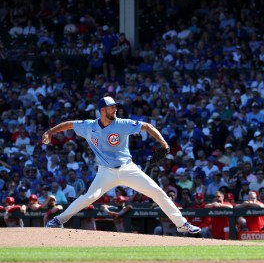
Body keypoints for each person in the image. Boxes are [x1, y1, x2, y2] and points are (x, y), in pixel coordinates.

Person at [41, 96, 200, 234]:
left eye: (115, 106)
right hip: (105, 172)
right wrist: (49, 132)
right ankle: (58, 220)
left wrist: (163, 142)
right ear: (102, 110)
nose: (115, 109)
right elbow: (69, 124)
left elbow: (147, 126)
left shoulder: (122, 124)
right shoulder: (89, 126)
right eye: (111, 107)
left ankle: (182, 224)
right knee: (89, 197)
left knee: (156, 191)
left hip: (127, 169)